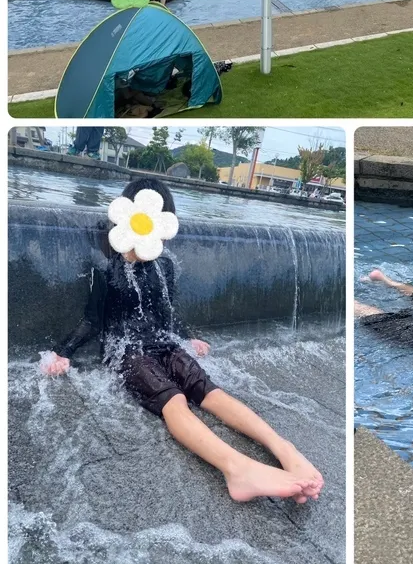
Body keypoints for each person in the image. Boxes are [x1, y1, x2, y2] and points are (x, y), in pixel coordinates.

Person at [41, 178, 324, 503]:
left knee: (210, 391)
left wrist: (188, 336)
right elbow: (92, 318)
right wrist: (64, 352)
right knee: (174, 400)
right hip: (125, 351)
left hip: (161, 342)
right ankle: (237, 469)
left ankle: (283, 448)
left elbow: (166, 312)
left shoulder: (163, 265)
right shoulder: (108, 268)